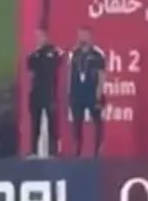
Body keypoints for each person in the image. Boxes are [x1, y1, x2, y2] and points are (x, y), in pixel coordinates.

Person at [68, 27, 105, 158]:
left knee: (97, 121)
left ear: (90, 37)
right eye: (80, 35)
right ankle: (77, 150)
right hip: (78, 94)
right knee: (77, 122)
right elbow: (70, 75)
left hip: (92, 93)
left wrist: (98, 94)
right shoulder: (75, 54)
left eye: (85, 35)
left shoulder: (97, 55)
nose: (82, 38)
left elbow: (101, 76)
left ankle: (98, 149)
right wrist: (70, 94)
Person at [26, 28, 62, 157]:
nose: (38, 39)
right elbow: (30, 71)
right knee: (35, 123)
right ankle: (34, 151)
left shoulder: (53, 52)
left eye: (41, 36)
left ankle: (53, 151)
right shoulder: (34, 54)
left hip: (49, 93)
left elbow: (55, 64)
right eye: (37, 36)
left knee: (52, 123)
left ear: (46, 37)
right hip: (36, 94)